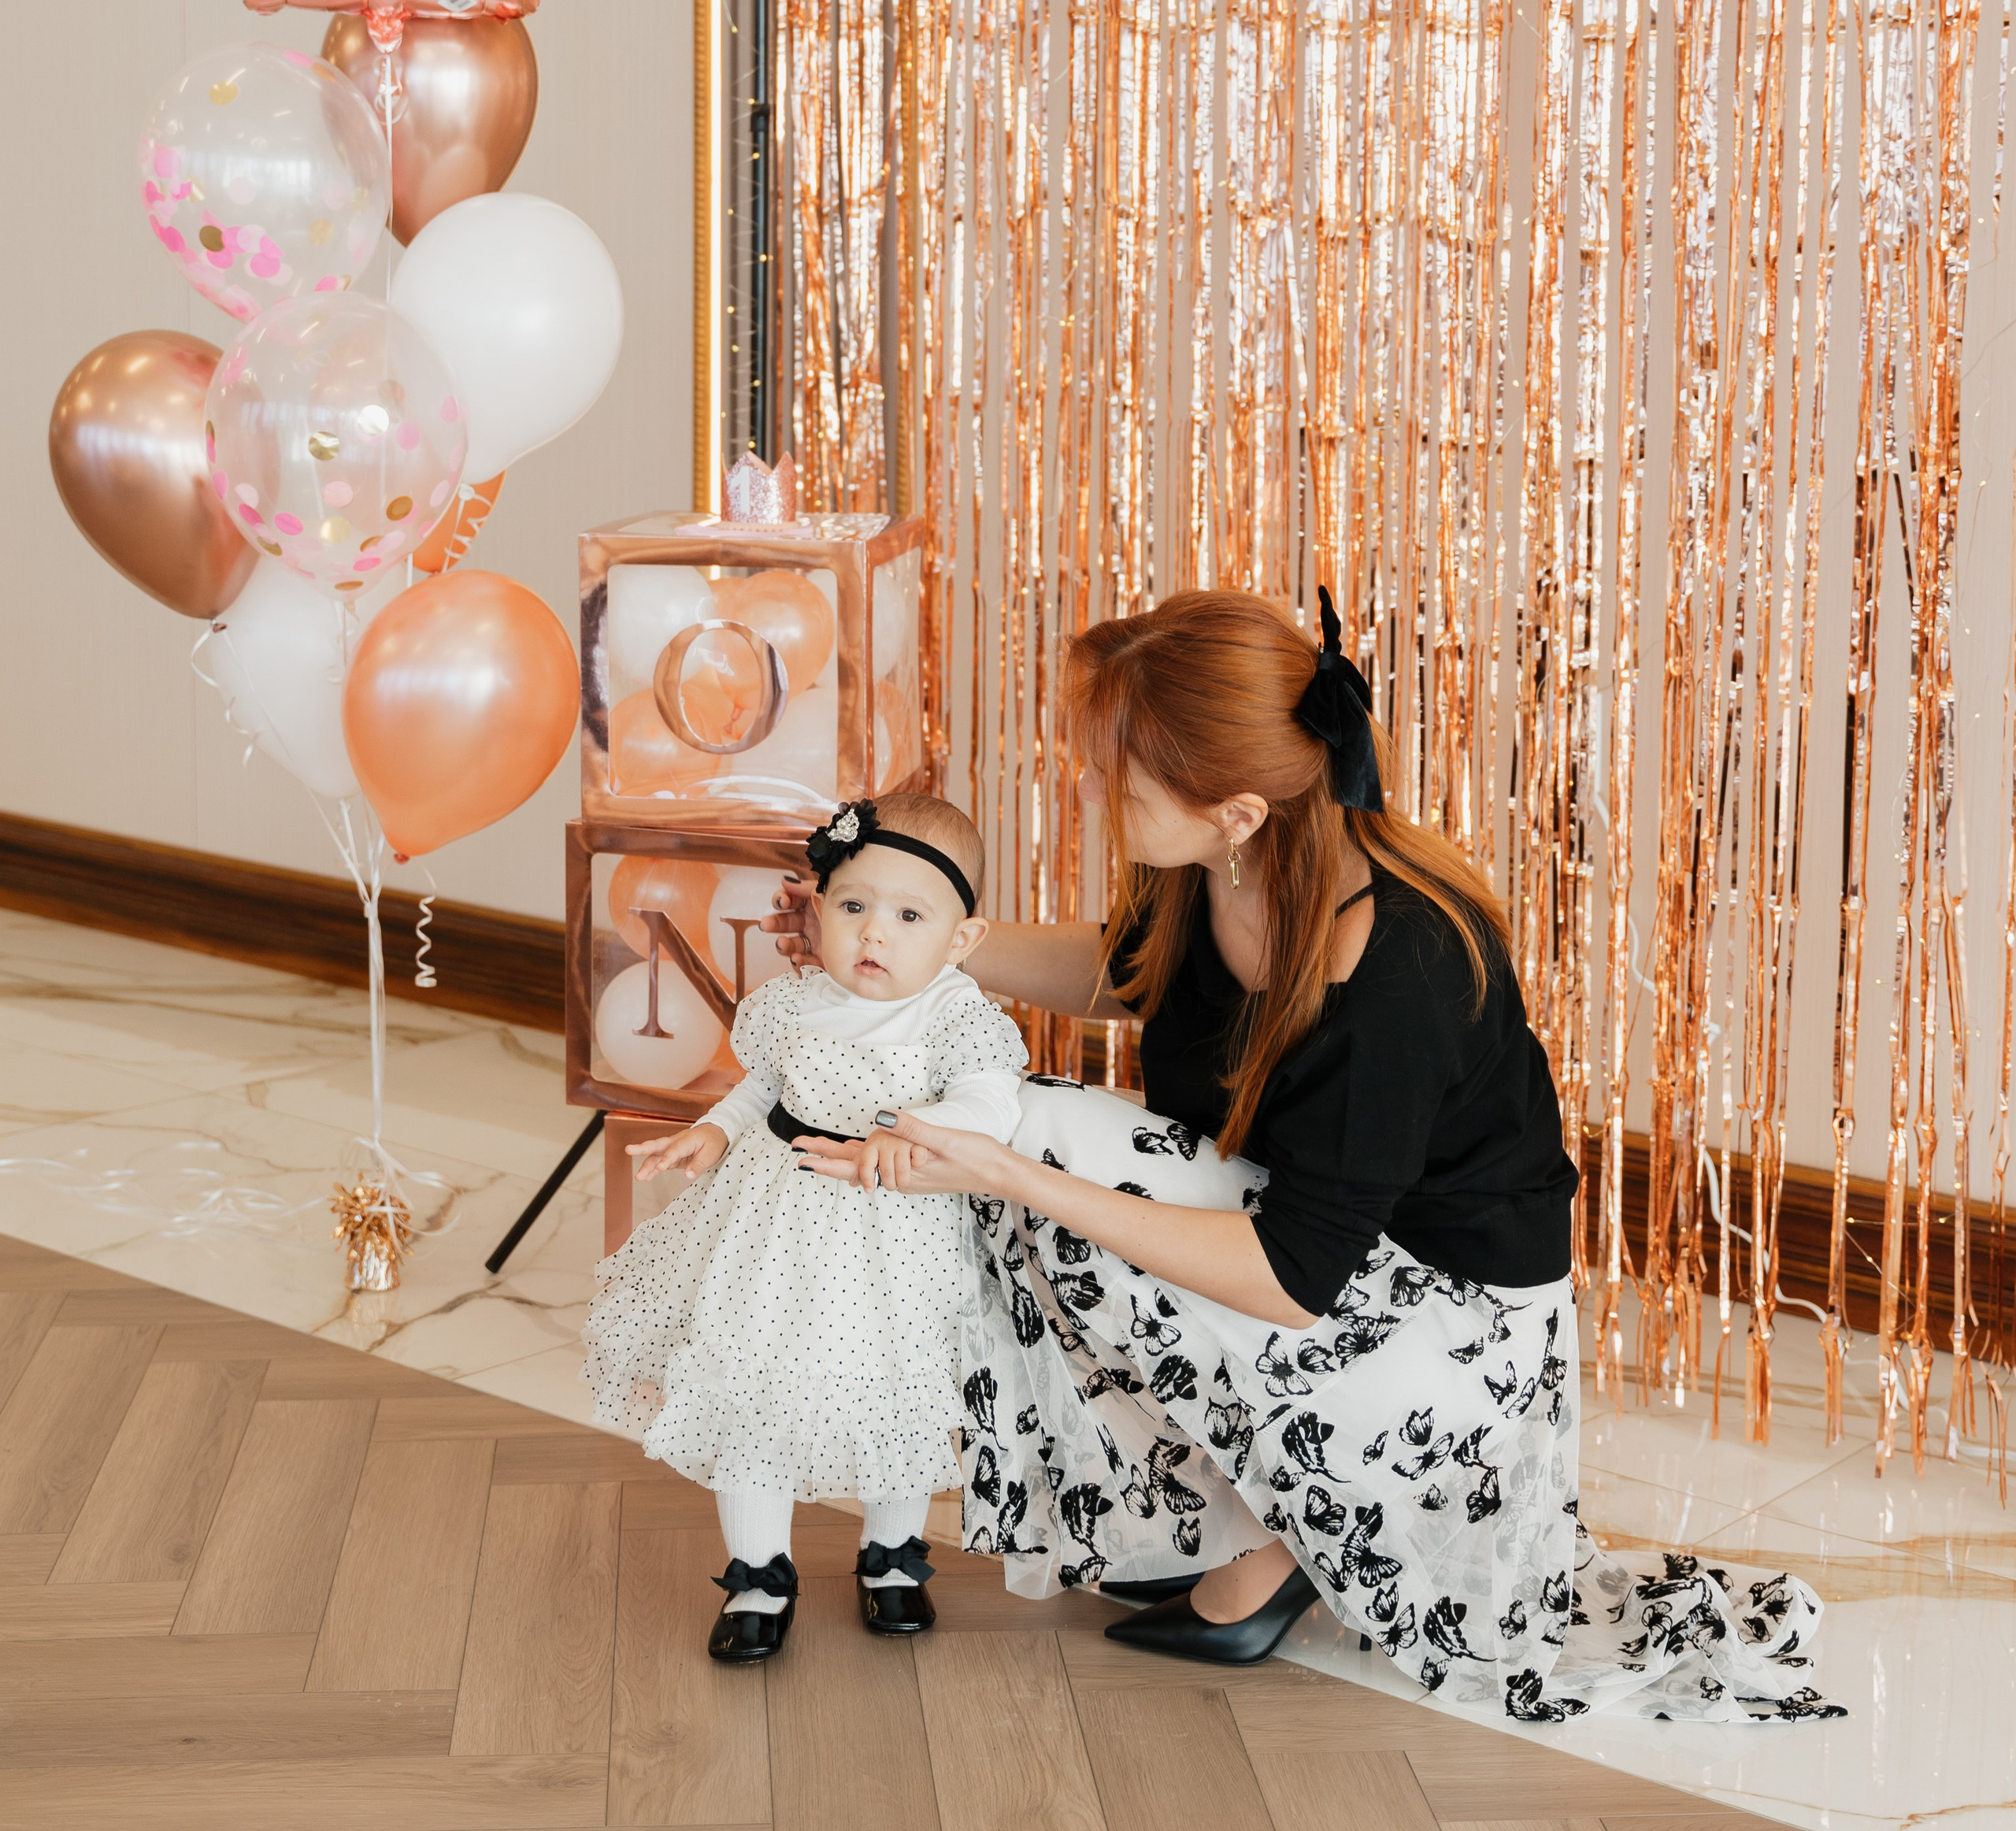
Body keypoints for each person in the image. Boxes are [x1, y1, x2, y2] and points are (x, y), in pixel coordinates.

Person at [789, 590, 1840, 1725]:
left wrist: (1009, 1174)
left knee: (1019, 1147)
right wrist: (908, 937)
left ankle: (1271, 1538)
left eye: (1115, 782)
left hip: (1449, 1345)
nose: (1085, 792)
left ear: (1237, 811)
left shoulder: (1398, 965)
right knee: (1022, 1140)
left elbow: (1294, 1277)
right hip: (1345, 1279)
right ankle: (1239, 1517)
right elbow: (1131, 971)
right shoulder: (1236, 865)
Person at [582, 789, 1026, 1666]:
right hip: (775, 1231)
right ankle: (757, 1574)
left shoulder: (955, 1014)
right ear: (819, 908)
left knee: (896, 1389)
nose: (874, 934)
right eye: (853, 906)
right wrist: (715, 1130)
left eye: (909, 916)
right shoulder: (795, 1002)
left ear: (961, 937)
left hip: (896, 1240)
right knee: (754, 1386)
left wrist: (907, 1137)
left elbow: (990, 1104)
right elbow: (762, 1088)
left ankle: (891, 1556)